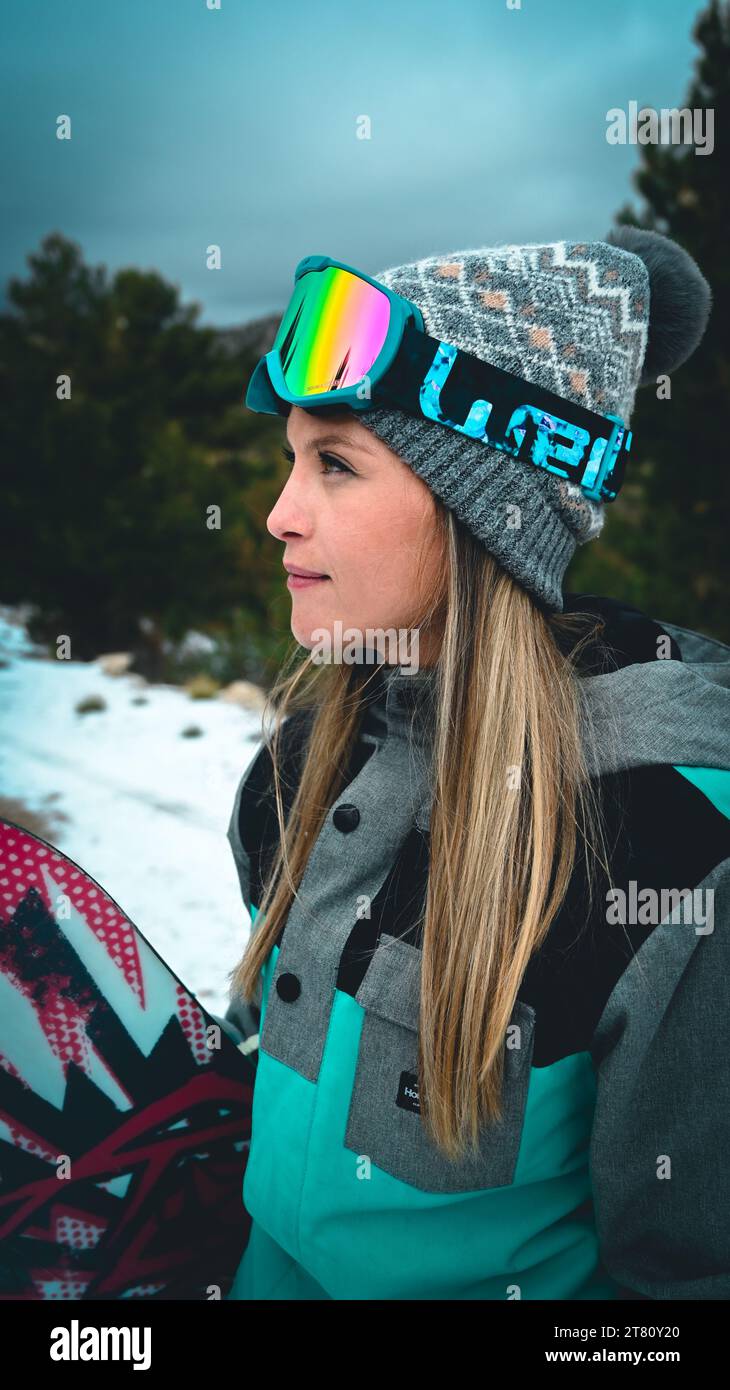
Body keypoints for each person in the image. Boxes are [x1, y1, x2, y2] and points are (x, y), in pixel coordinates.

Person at [220, 230, 730, 1300]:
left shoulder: (665, 840)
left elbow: (679, 1282)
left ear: (482, 517)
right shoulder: (301, 762)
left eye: (337, 464)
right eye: (288, 460)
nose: (279, 513)